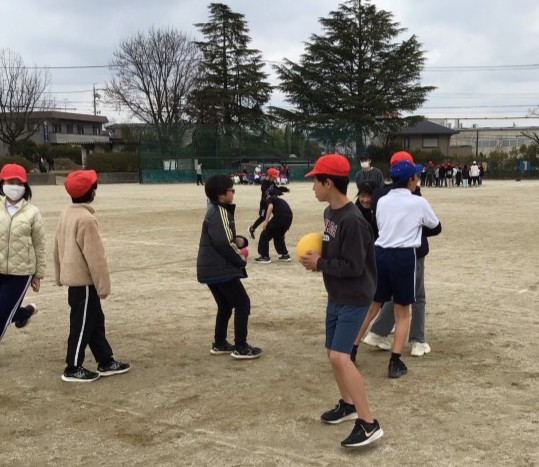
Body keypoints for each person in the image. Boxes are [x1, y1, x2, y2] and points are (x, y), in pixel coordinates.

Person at [300, 153, 383, 448]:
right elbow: (334, 252)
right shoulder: (330, 214)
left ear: (328, 183)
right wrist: (317, 258)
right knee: (331, 352)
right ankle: (348, 405)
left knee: (340, 356)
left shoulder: (353, 220)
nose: (312, 187)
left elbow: (355, 267)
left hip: (355, 296)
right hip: (336, 294)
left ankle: (369, 423)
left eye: (315, 181)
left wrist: (321, 263)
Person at [355, 159, 441, 379]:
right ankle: (395, 361)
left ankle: (352, 349)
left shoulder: (382, 200)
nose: (417, 180)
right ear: (410, 180)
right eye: (416, 177)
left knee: (373, 306)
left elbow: (380, 226)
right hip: (403, 257)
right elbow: (436, 227)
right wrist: (414, 226)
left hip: (381, 253)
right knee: (403, 312)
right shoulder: (417, 202)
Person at [54, 170, 131, 382]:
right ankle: (73, 366)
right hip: (84, 282)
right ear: (90, 192)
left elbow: (56, 247)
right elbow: (96, 257)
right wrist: (103, 285)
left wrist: (59, 274)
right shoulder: (86, 219)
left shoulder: (66, 213)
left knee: (95, 321)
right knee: (82, 324)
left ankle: (105, 360)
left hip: (75, 281)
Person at [196, 174, 262, 359]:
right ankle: (241, 346)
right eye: (231, 190)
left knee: (225, 305)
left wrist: (238, 241)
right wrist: (240, 259)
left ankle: (219, 343)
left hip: (209, 268)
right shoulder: (221, 211)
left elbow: (223, 237)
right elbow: (223, 243)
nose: (233, 193)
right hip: (220, 269)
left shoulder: (213, 209)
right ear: (221, 194)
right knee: (242, 303)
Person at [0, 164, 45, 342]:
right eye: (11, 182)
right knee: (6, 309)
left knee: (2, 315)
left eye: (19, 183)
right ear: (2, 183)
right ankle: (25, 312)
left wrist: (38, 274)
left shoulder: (33, 212)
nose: (15, 187)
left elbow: (39, 244)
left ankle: (23, 312)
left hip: (20, 273)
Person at [254, 186, 293, 264]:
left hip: (280, 217)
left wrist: (266, 221)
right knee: (278, 235)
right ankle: (285, 255)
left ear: (269, 194)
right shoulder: (280, 200)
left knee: (264, 235)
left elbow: (270, 207)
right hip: (289, 218)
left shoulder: (270, 199)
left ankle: (264, 257)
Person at [248, 168, 289, 240]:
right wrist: (276, 192)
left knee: (277, 215)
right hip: (264, 203)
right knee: (262, 217)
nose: (274, 179)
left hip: (271, 202)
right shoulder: (264, 183)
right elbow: (266, 192)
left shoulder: (272, 182)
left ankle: (280, 233)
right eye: (273, 177)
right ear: (269, 176)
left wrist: (283, 189)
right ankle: (252, 228)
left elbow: (276, 188)